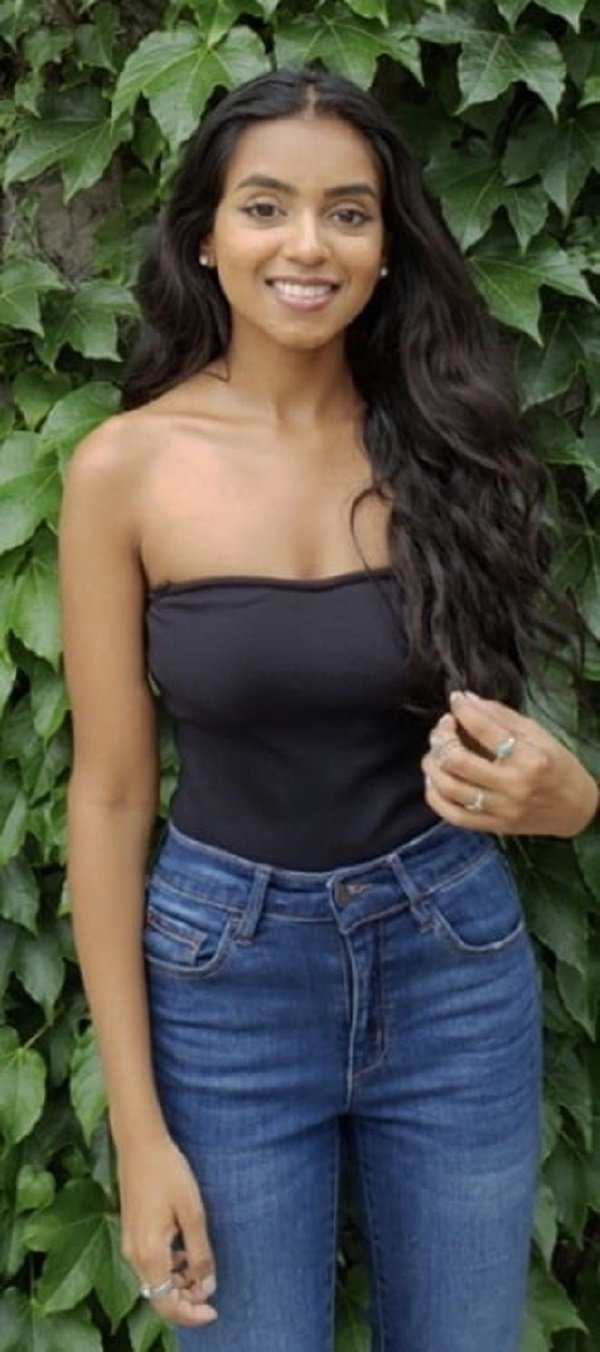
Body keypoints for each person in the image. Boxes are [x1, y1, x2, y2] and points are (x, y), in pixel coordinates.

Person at [58, 66, 599, 1352]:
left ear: (386, 245)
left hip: (452, 961)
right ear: (206, 234)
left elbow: (516, 741)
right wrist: (138, 1131)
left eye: (348, 212)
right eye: (266, 206)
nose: (308, 244)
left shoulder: (446, 441)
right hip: (224, 982)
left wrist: (573, 798)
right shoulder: (124, 468)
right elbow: (112, 794)